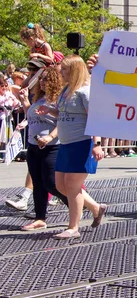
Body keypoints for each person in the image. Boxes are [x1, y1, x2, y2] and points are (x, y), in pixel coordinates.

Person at [37, 55, 107, 239]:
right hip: (66, 144)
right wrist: (49, 111)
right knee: (60, 185)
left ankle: (73, 227)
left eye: (65, 70)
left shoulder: (85, 91)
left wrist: (97, 144)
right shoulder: (66, 90)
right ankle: (96, 208)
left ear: (75, 70)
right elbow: (62, 113)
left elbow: (95, 118)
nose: (61, 73)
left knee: (73, 186)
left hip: (81, 143)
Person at [18, 66, 69, 230]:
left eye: (45, 79)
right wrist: (25, 102)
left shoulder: (59, 99)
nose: (41, 82)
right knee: (38, 183)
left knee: (51, 183)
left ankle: (76, 202)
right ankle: (40, 218)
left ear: (54, 81)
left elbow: (63, 120)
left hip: (52, 146)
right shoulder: (39, 99)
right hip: (34, 146)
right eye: (41, 79)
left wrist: (50, 137)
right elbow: (31, 118)